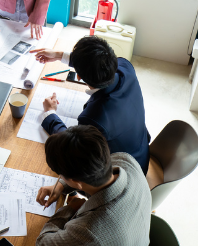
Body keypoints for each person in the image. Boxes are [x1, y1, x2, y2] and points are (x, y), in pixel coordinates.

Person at [32, 36, 151, 173]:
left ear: (78, 77)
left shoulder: (94, 117)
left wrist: (49, 113)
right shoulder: (126, 67)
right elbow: (97, 63)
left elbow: (72, 146)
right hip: (141, 152)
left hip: (125, 173)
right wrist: (59, 55)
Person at [33, 125, 152, 246]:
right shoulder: (127, 161)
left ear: (76, 182)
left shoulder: (88, 233)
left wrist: (70, 208)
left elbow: (42, 245)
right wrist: (61, 184)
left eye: (60, 176)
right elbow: (94, 170)